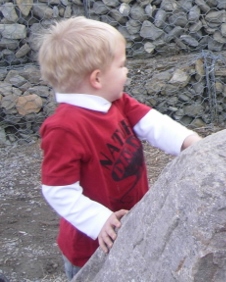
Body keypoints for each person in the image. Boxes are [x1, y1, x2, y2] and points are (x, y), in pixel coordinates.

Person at [36, 16, 201, 280]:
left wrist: (189, 143)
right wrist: (98, 220)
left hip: (132, 224)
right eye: (122, 66)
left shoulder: (115, 102)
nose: (127, 72)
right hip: (92, 245)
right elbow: (58, 191)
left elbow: (152, 123)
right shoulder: (64, 128)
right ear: (97, 78)